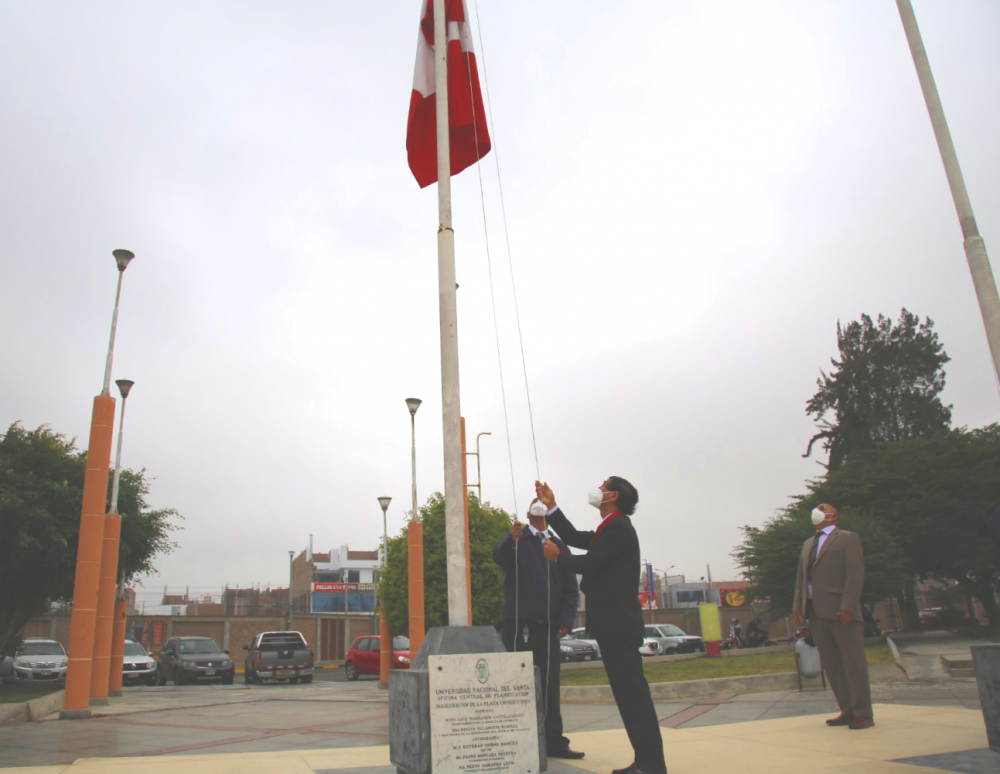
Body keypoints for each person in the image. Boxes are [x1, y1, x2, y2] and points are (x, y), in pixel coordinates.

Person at [538, 477, 667, 774]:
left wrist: (559, 558)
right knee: (629, 698)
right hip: (614, 626)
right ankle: (647, 762)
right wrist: (551, 506)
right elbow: (572, 536)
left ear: (613, 495)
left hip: (618, 626)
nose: (597, 488)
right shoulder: (609, 527)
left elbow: (592, 562)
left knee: (633, 698)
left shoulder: (619, 527)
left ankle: (650, 765)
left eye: (604, 484)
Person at [493, 499, 584, 761]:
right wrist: (511, 540)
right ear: (528, 512)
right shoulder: (518, 537)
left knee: (548, 683)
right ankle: (514, 738)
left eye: (541, 504)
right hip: (517, 621)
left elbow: (569, 585)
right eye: (535, 503)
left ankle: (554, 740)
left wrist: (566, 617)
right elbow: (500, 559)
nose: (538, 506)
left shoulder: (557, 544)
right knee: (514, 679)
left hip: (547, 623)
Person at [793, 503, 874, 730]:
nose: (816, 512)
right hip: (815, 610)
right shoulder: (808, 543)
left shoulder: (847, 538)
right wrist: (798, 605)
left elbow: (855, 573)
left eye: (822, 508)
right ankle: (847, 710)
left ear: (834, 516)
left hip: (841, 610)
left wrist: (848, 605)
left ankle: (863, 713)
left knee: (853, 663)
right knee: (832, 664)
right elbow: (802, 577)